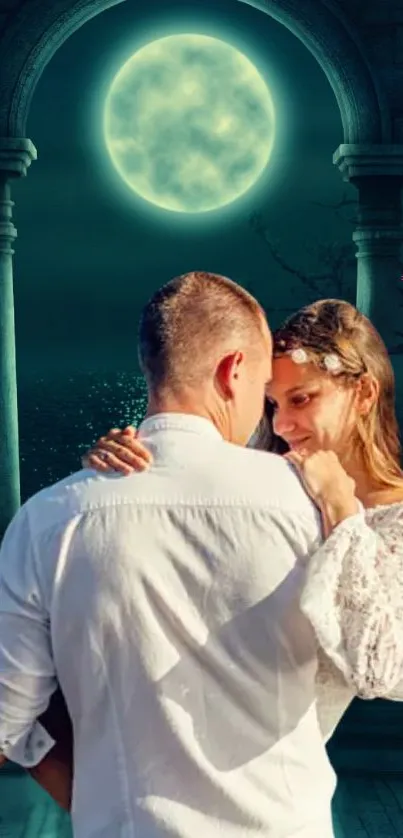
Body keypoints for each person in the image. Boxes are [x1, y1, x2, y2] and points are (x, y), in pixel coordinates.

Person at [0, 272, 339, 838]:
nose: (270, 421)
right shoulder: (314, 502)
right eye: (263, 392)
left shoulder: (48, 518)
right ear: (233, 372)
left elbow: (9, 721)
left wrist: (96, 797)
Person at [85, 297, 403, 740]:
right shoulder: (262, 481)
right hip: (150, 731)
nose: (283, 424)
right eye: (272, 404)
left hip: (272, 777)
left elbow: (382, 669)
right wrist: (126, 467)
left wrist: (342, 511)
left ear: (364, 393)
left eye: (301, 399)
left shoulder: (392, 521)